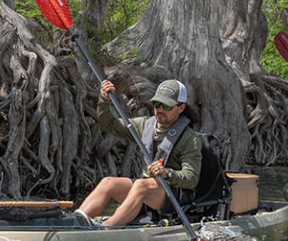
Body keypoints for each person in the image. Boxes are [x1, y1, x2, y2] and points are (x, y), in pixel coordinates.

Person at [75, 78, 202, 227]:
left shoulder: (190, 139)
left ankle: (107, 229)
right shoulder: (145, 125)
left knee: (141, 185)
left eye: (167, 106)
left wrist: (167, 173)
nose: (160, 109)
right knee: (109, 182)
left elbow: (191, 178)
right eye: (157, 104)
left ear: (181, 108)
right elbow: (109, 124)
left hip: (174, 196)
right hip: (147, 189)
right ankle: (76, 222)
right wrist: (104, 100)